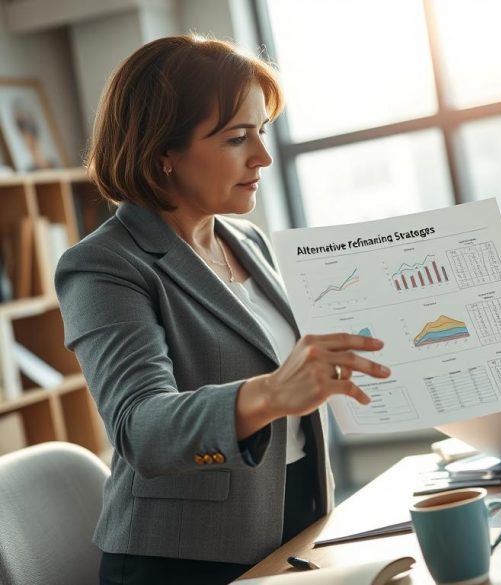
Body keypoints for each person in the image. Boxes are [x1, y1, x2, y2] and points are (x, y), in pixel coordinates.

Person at [55, 35, 391, 584]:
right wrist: (270, 392)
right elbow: (140, 428)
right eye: (237, 138)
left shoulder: (246, 241)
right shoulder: (103, 265)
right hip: (184, 563)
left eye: (261, 131)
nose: (262, 156)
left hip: (296, 525)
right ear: (163, 153)